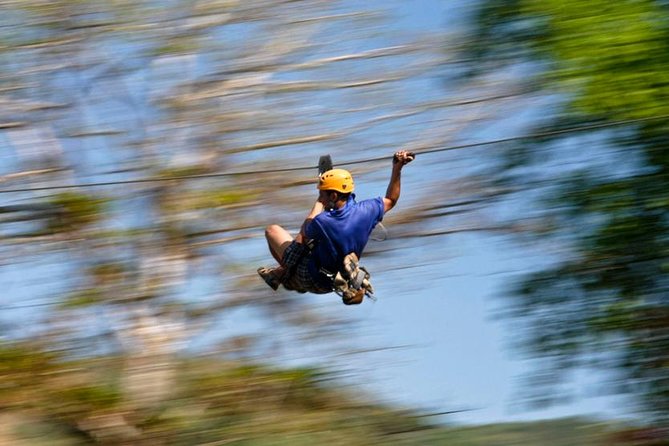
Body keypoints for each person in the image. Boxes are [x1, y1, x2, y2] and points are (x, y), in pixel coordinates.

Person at [258, 150, 414, 304]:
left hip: (310, 277)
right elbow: (391, 199)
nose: (321, 197)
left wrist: (319, 202)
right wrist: (397, 168)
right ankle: (289, 274)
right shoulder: (367, 210)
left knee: (273, 231)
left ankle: (285, 273)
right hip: (330, 283)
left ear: (333, 196)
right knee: (318, 244)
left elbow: (304, 232)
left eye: (323, 194)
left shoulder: (324, 221)